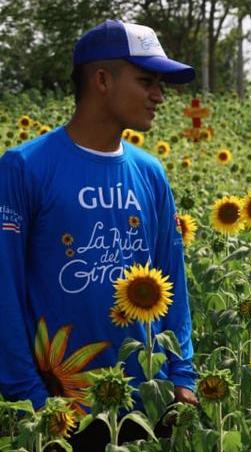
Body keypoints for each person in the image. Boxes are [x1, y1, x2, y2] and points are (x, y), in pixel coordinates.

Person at [0, 19, 197, 444]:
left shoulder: (151, 173)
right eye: (146, 81)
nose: (159, 95)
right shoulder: (24, 167)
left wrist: (182, 377)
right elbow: (4, 291)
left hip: (150, 401)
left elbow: (173, 284)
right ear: (102, 79)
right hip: (59, 410)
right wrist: (32, 400)